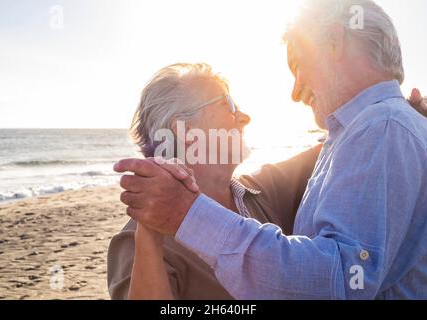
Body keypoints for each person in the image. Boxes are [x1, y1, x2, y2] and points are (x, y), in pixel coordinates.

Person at [114, 0, 427, 299]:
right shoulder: (364, 135)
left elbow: (339, 276)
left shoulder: (381, 129)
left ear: (334, 43)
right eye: (228, 104)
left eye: (298, 65)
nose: (295, 92)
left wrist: (396, 120)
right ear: (182, 131)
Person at [107, 63, 321, 299]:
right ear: (185, 130)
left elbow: (338, 143)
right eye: (228, 104)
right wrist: (149, 233)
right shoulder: (137, 241)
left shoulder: (261, 192)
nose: (245, 118)